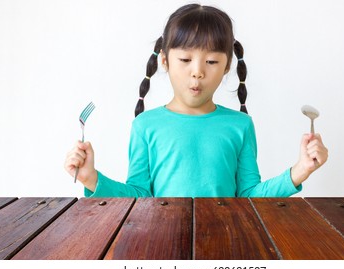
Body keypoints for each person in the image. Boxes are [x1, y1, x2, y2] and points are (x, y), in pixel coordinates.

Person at [64, 4, 328, 198]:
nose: (198, 71)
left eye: (212, 61)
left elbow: (250, 197)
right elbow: (138, 196)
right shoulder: (145, 126)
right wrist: (91, 178)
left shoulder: (241, 125)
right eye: (185, 59)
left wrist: (300, 170)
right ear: (165, 61)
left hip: (226, 243)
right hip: (162, 242)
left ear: (227, 67)